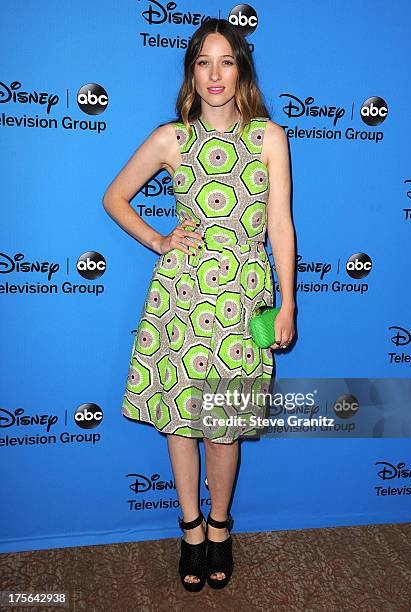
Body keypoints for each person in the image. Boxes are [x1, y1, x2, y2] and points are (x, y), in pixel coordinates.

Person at [103, 17, 295, 592]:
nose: (215, 74)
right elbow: (115, 197)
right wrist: (160, 240)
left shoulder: (269, 138)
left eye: (226, 61)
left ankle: (219, 527)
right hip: (180, 301)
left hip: (242, 300)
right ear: (191, 72)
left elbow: (281, 225)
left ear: (242, 70)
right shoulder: (173, 138)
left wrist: (287, 302)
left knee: (223, 426)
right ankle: (189, 529)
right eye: (203, 62)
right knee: (180, 423)